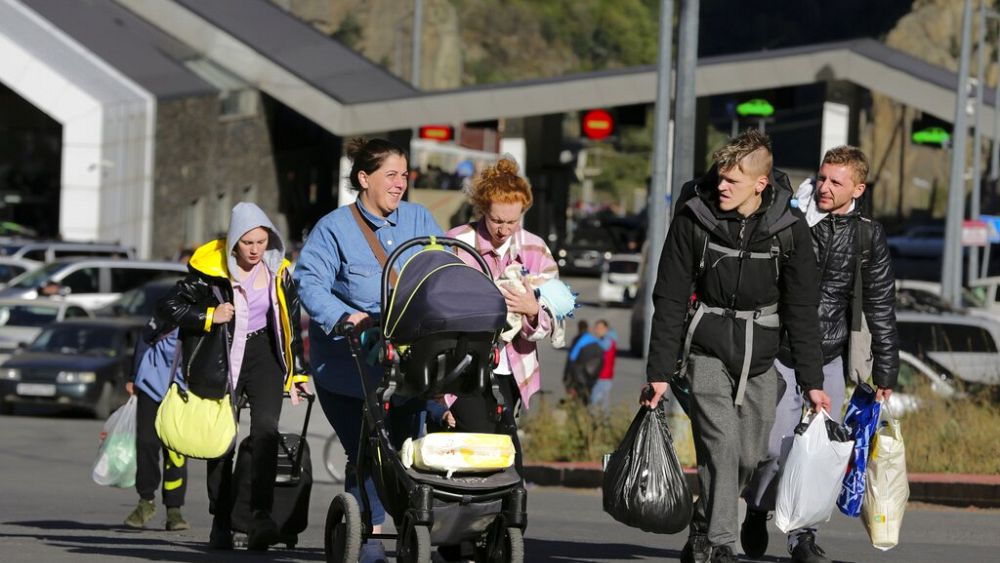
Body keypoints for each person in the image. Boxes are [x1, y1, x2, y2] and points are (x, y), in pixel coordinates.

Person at [639, 130, 831, 563]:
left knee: (750, 454)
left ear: (760, 184)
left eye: (733, 181)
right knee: (721, 444)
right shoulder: (694, 218)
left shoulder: (789, 228)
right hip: (705, 348)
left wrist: (811, 380)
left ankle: (705, 526)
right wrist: (659, 370)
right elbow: (669, 297)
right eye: (720, 178)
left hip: (761, 356)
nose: (722, 186)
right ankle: (723, 544)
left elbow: (801, 308)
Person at [741, 146, 899, 563]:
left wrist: (886, 370)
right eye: (822, 178)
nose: (825, 188)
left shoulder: (868, 235)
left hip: (829, 355)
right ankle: (757, 510)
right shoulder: (796, 221)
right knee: (774, 450)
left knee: (820, 450)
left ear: (858, 189)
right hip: (779, 350)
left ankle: (802, 537)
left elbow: (880, 304)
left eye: (836, 182)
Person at [294, 138, 442, 563]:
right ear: (364, 178)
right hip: (348, 367)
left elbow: (448, 268)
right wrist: (349, 318)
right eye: (391, 175)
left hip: (408, 366)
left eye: (404, 175)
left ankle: (423, 529)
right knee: (366, 450)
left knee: (410, 452)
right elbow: (311, 285)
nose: (400, 184)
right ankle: (369, 540)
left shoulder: (419, 218)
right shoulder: (334, 229)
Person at [153, 202, 311, 551]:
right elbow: (168, 308)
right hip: (223, 358)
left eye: (261, 241)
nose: (255, 250)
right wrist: (211, 314)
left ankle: (260, 516)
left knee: (266, 431)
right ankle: (221, 519)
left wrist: (297, 372)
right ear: (234, 242)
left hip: (265, 356)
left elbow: (290, 323)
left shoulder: (278, 271)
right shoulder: (210, 273)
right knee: (221, 442)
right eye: (248, 243)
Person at [444, 157, 562, 476]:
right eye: (497, 220)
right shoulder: (457, 243)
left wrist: (533, 310)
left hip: (513, 366)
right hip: (463, 364)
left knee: (503, 444)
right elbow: (437, 311)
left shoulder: (535, 249)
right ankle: (487, 515)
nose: (503, 230)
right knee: (481, 445)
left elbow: (555, 313)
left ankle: (502, 518)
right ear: (483, 209)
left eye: (512, 222)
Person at [123, 328, 188, 532]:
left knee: (176, 451)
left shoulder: (204, 312)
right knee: (146, 443)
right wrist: (133, 376)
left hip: (183, 388)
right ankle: (146, 501)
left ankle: (174, 510)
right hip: (151, 384)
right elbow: (143, 340)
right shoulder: (163, 309)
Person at [589, 320, 617, 411]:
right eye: (596, 328)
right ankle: (604, 422)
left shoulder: (607, 341)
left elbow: (599, 348)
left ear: (606, 329)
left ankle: (602, 422)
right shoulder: (607, 339)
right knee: (603, 403)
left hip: (603, 377)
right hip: (603, 376)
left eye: (600, 328)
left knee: (595, 402)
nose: (597, 330)